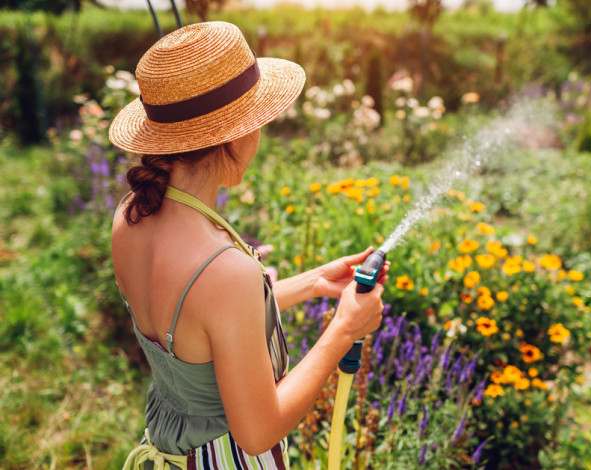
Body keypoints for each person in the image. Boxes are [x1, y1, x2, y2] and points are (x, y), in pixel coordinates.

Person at [108, 22, 389, 470]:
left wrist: (314, 282)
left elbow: (201, 329)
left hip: (167, 447)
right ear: (237, 134)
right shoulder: (222, 269)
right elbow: (257, 432)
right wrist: (343, 332)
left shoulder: (130, 216)